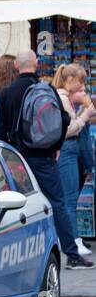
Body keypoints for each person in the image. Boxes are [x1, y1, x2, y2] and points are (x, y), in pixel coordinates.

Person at [0, 50, 90, 270]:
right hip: (43, 158)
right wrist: (55, 148)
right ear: (36, 64)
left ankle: (18, 255)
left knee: (15, 205)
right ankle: (72, 255)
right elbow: (63, 121)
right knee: (57, 203)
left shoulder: (7, 93)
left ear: (17, 67)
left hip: (15, 160)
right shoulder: (46, 90)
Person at [54, 64, 96, 258]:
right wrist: (85, 115)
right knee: (69, 200)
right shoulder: (62, 98)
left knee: (69, 199)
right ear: (70, 81)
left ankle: (73, 240)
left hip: (69, 152)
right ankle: (74, 242)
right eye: (80, 86)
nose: (83, 90)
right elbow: (68, 130)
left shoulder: (65, 99)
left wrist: (81, 114)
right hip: (67, 152)